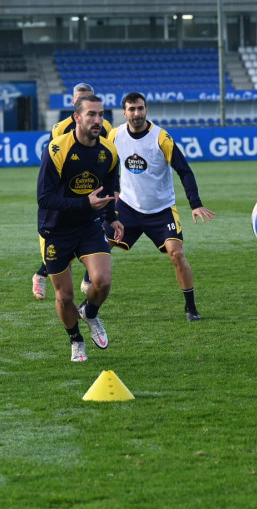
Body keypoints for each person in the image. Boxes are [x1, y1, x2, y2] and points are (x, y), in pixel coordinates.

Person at [104, 92, 215, 322]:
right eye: (132, 109)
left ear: (146, 110)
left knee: (177, 253)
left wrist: (195, 204)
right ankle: (90, 299)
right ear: (124, 112)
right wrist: (111, 193)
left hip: (161, 209)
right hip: (128, 207)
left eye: (140, 108)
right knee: (100, 245)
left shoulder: (161, 137)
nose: (137, 113)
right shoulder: (115, 135)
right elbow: (107, 165)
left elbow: (184, 170)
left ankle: (191, 308)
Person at [37, 94, 124, 361]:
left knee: (103, 281)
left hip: (88, 226)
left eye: (101, 115)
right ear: (77, 117)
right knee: (65, 297)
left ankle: (90, 313)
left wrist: (111, 217)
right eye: (91, 115)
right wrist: (85, 203)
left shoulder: (108, 151)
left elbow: (108, 189)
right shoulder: (57, 150)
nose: (98, 120)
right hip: (56, 230)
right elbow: (45, 198)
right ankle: (76, 339)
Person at [32, 83, 114, 300]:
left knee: (95, 250)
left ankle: (89, 281)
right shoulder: (60, 130)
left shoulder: (104, 127)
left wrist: (111, 211)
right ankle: (42, 275)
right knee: (64, 287)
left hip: (90, 199)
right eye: (82, 99)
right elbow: (49, 166)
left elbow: (107, 160)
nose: (96, 119)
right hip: (65, 199)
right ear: (74, 106)